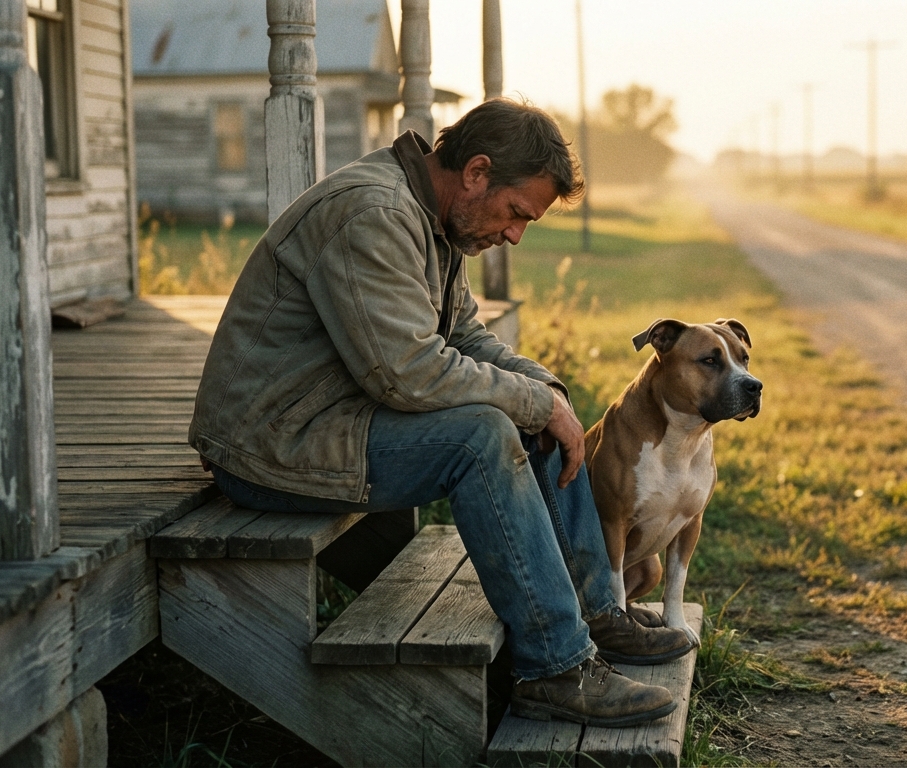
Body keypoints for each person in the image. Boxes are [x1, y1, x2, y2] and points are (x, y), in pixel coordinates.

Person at [188, 99, 693, 727]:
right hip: (273, 441)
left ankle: (597, 613)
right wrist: (534, 404)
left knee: (527, 407)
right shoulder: (372, 214)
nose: (514, 234)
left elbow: (465, 337)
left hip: (337, 421)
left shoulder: (437, 219)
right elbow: (408, 372)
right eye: (515, 214)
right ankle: (556, 669)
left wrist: (547, 392)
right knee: (482, 434)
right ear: (476, 172)